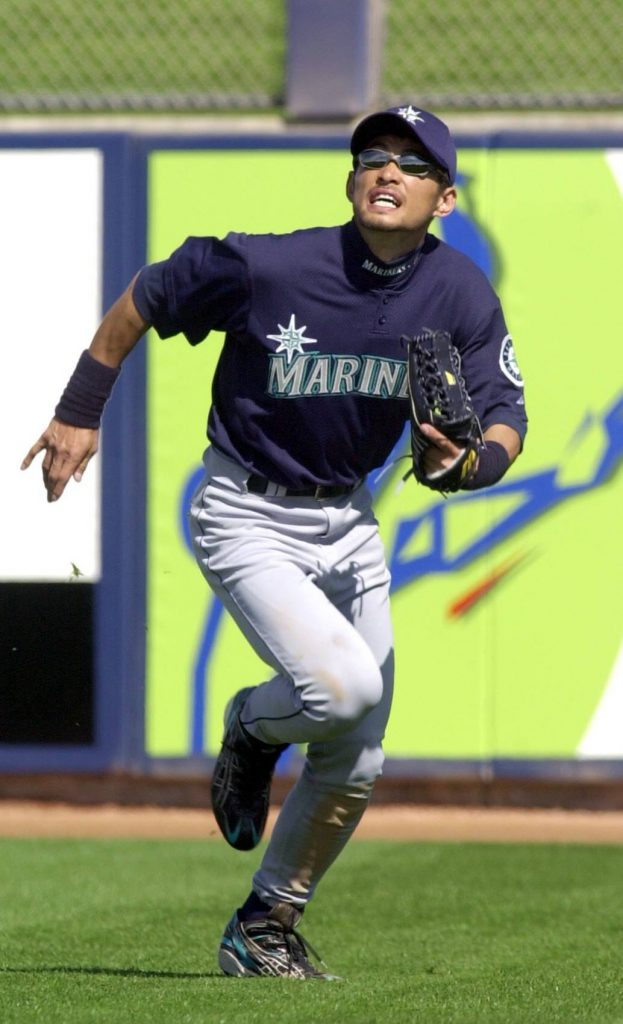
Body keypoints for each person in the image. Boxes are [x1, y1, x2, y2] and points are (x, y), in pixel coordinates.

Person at [22, 105, 527, 979]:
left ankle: (263, 926)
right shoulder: (276, 265)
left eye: (411, 165)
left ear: (444, 199)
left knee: (359, 751)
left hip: (347, 518)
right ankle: (251, 734)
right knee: (338, 690)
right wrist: (79, 408)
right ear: (349, 178)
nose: (386, 171)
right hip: (244, 507)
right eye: (371, 155)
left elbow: (507, 416)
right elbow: (152, 289)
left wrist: (469, 465)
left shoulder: (459, 293)